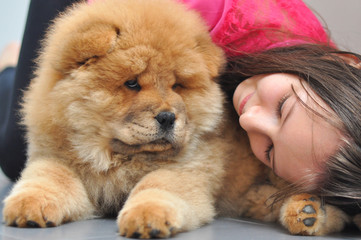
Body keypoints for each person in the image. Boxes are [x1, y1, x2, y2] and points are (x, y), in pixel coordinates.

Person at [1, 0, 360, 214]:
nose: (250, 118)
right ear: (345, 62)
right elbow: (105, 42)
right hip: (100, 17)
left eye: (268, 150)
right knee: (17, 152)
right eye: (282, 108)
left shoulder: (324, 109)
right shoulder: (216, 12)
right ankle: (12, 65)